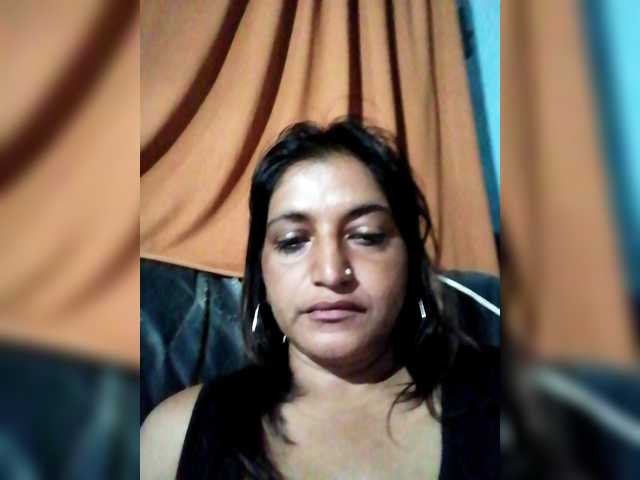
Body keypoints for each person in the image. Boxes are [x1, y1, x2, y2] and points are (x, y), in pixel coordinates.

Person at [140, 117, 500, 479]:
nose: (330, 273)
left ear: (410, 260)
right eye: (292, 241)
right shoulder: (174, 437)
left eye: (366, 235)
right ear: (262, 272)